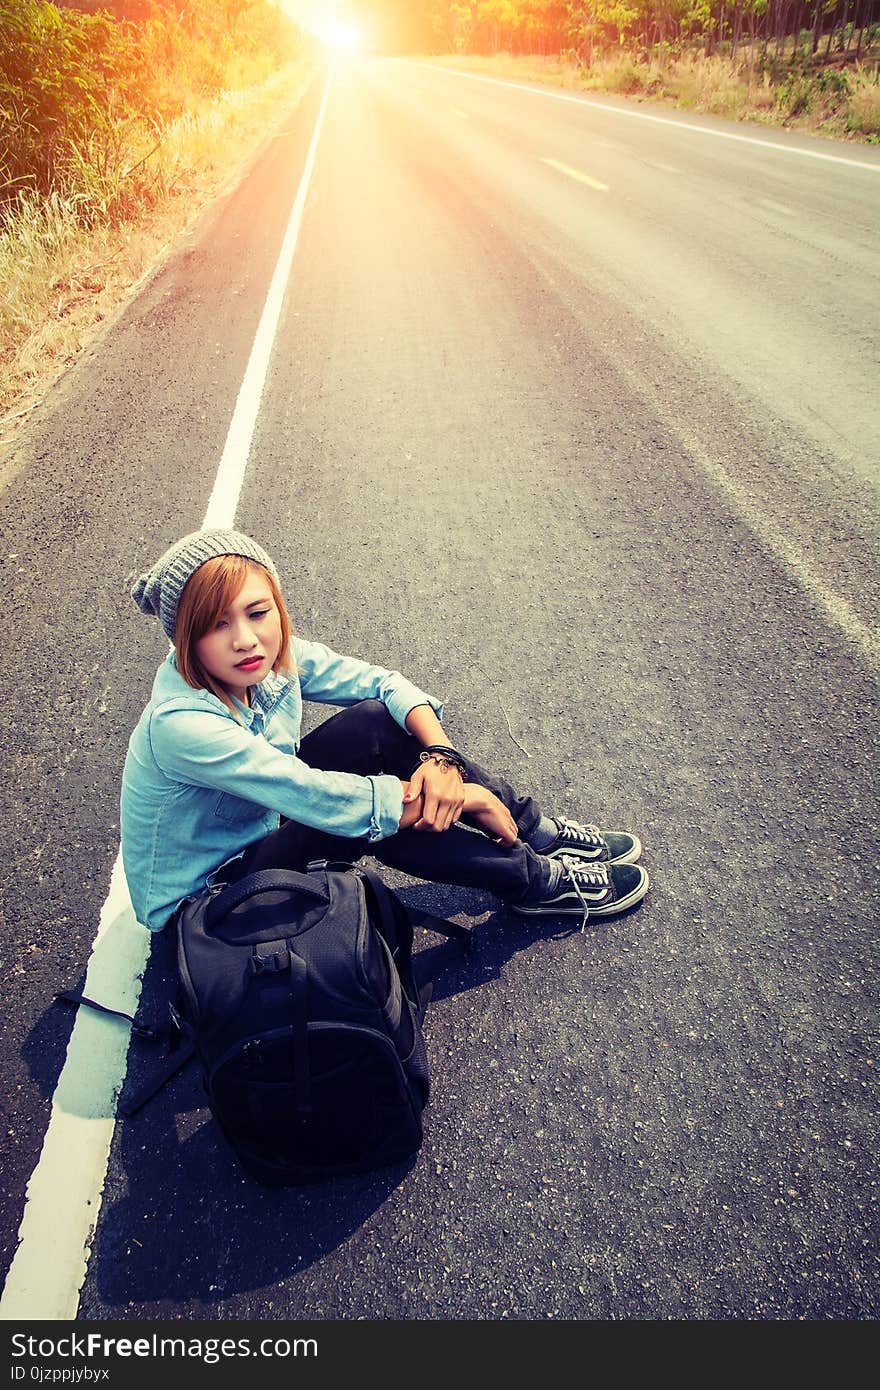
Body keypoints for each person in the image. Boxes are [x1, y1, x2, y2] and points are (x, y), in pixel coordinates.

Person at [121, 529, 649, 935]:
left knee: (376, 722)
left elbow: (383, 684)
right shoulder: (181, 725)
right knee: (362, 814)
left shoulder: (270, 659)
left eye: (258, 613)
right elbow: (317, 797)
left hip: (260, 825)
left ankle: (534, 831)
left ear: (276, 607)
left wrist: (441, 757)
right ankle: (534, 882)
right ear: (187, 641)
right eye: (217, 625)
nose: (245, 639)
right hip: (210, 899)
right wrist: (466, 798)